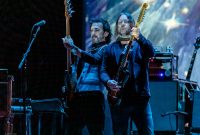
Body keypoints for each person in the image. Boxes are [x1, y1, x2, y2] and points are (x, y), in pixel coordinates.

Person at [100, 12, 155, 135]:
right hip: (119, 99)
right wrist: (108, 82)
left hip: (140, 99)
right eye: (120, 22)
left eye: (126, 21)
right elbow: (103, 71)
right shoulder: (110, 48)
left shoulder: (140, 45)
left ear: (132, 25)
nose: (122, 24)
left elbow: (151, 52)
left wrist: (140, 37)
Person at [62, 18, 111, 135]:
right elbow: (76, 74)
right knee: (71, 131)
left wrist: (73, 47)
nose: (93, 33)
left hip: (94, 98)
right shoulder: (89, 50)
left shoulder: (107, 49)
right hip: (80, 97)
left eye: (97, 30)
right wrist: (70, 86)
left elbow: (94, 60)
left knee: (96, 131)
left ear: (105, 33)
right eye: (92, 30)